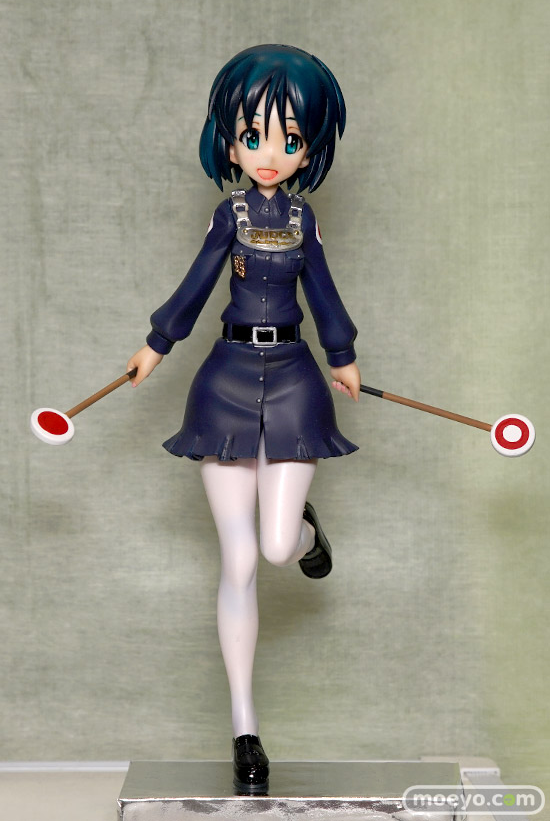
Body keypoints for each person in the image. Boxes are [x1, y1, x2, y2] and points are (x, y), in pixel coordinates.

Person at [127, 44, 361, 793]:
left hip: (293, 380)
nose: (268, 152)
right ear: (228, 142)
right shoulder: (229, 215)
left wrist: (342, 353)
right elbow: (196, 284)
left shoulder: (301, 216)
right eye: (252, 135)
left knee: (277, 545)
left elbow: (323, 290)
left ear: (307, 149)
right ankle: (245, 729)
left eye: (289, 138)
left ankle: (308, 534)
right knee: (238, 561)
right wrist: (156, 344)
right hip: (226, 380)